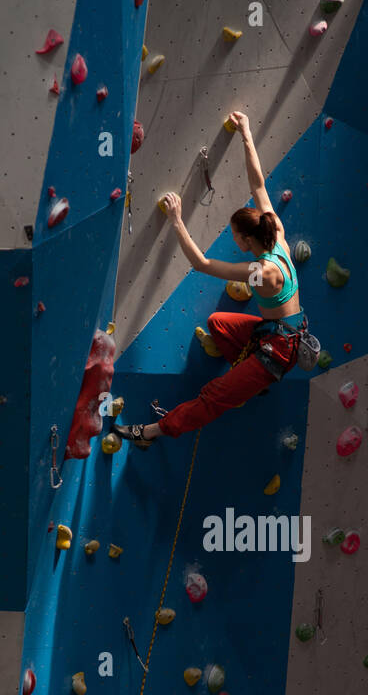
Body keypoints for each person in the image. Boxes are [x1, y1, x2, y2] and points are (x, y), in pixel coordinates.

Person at [115, 111, 308, 446]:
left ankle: (150, 433)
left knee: (214, 396)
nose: (234, 241)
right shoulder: (276, 232)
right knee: (219, 324)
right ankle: (251, 382)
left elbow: (203, 264)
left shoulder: (261, 273)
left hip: (277, 351)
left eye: (236, 236)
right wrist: (246, 133)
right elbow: (259, 185)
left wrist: (177, 220)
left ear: (248, 241)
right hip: (280, 332)